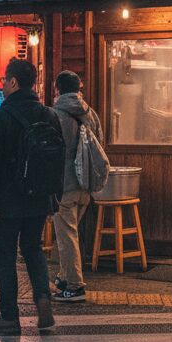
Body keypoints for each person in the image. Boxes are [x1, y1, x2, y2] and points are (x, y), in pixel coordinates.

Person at [0, 58, 59, 333]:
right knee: (33, 248)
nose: (2, 85)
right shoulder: (49, 114)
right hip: (39, 197)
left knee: (5, 255)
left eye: (4, 80)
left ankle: (10, 317)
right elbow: (58, 159)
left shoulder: (2, 117)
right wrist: (53, 197)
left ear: (13, 82)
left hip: (7, 200)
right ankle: (42, 298)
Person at [50, 70, 102, 304]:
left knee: (66, 235)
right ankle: (64, 276)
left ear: (57, 89)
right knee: (71, 232)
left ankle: (74, 285)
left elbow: (49, 151)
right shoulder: (90, 113)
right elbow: (100, 142)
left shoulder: (55, 115)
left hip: (65, 184)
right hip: (86, 185)